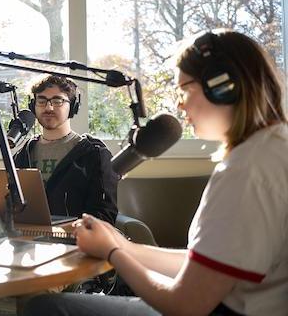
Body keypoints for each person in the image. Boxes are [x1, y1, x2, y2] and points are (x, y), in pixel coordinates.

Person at [23, 29, 288, 315]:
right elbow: (201, 264)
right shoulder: (269, 150)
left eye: (184, 89)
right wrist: (122, 246)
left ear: (223, 86)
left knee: (47, 307)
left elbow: (185, 305)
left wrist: (113, 254)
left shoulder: (246, 170)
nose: (179, 104)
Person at [14, 74, 118, 224]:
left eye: (57, 101)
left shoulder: (94, 154)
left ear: (73, 107)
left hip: (75, 241)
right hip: (30, 239)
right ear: (33, 106)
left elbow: (105, 214)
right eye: (42, 101)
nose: (48, 107)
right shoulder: (23, 154)